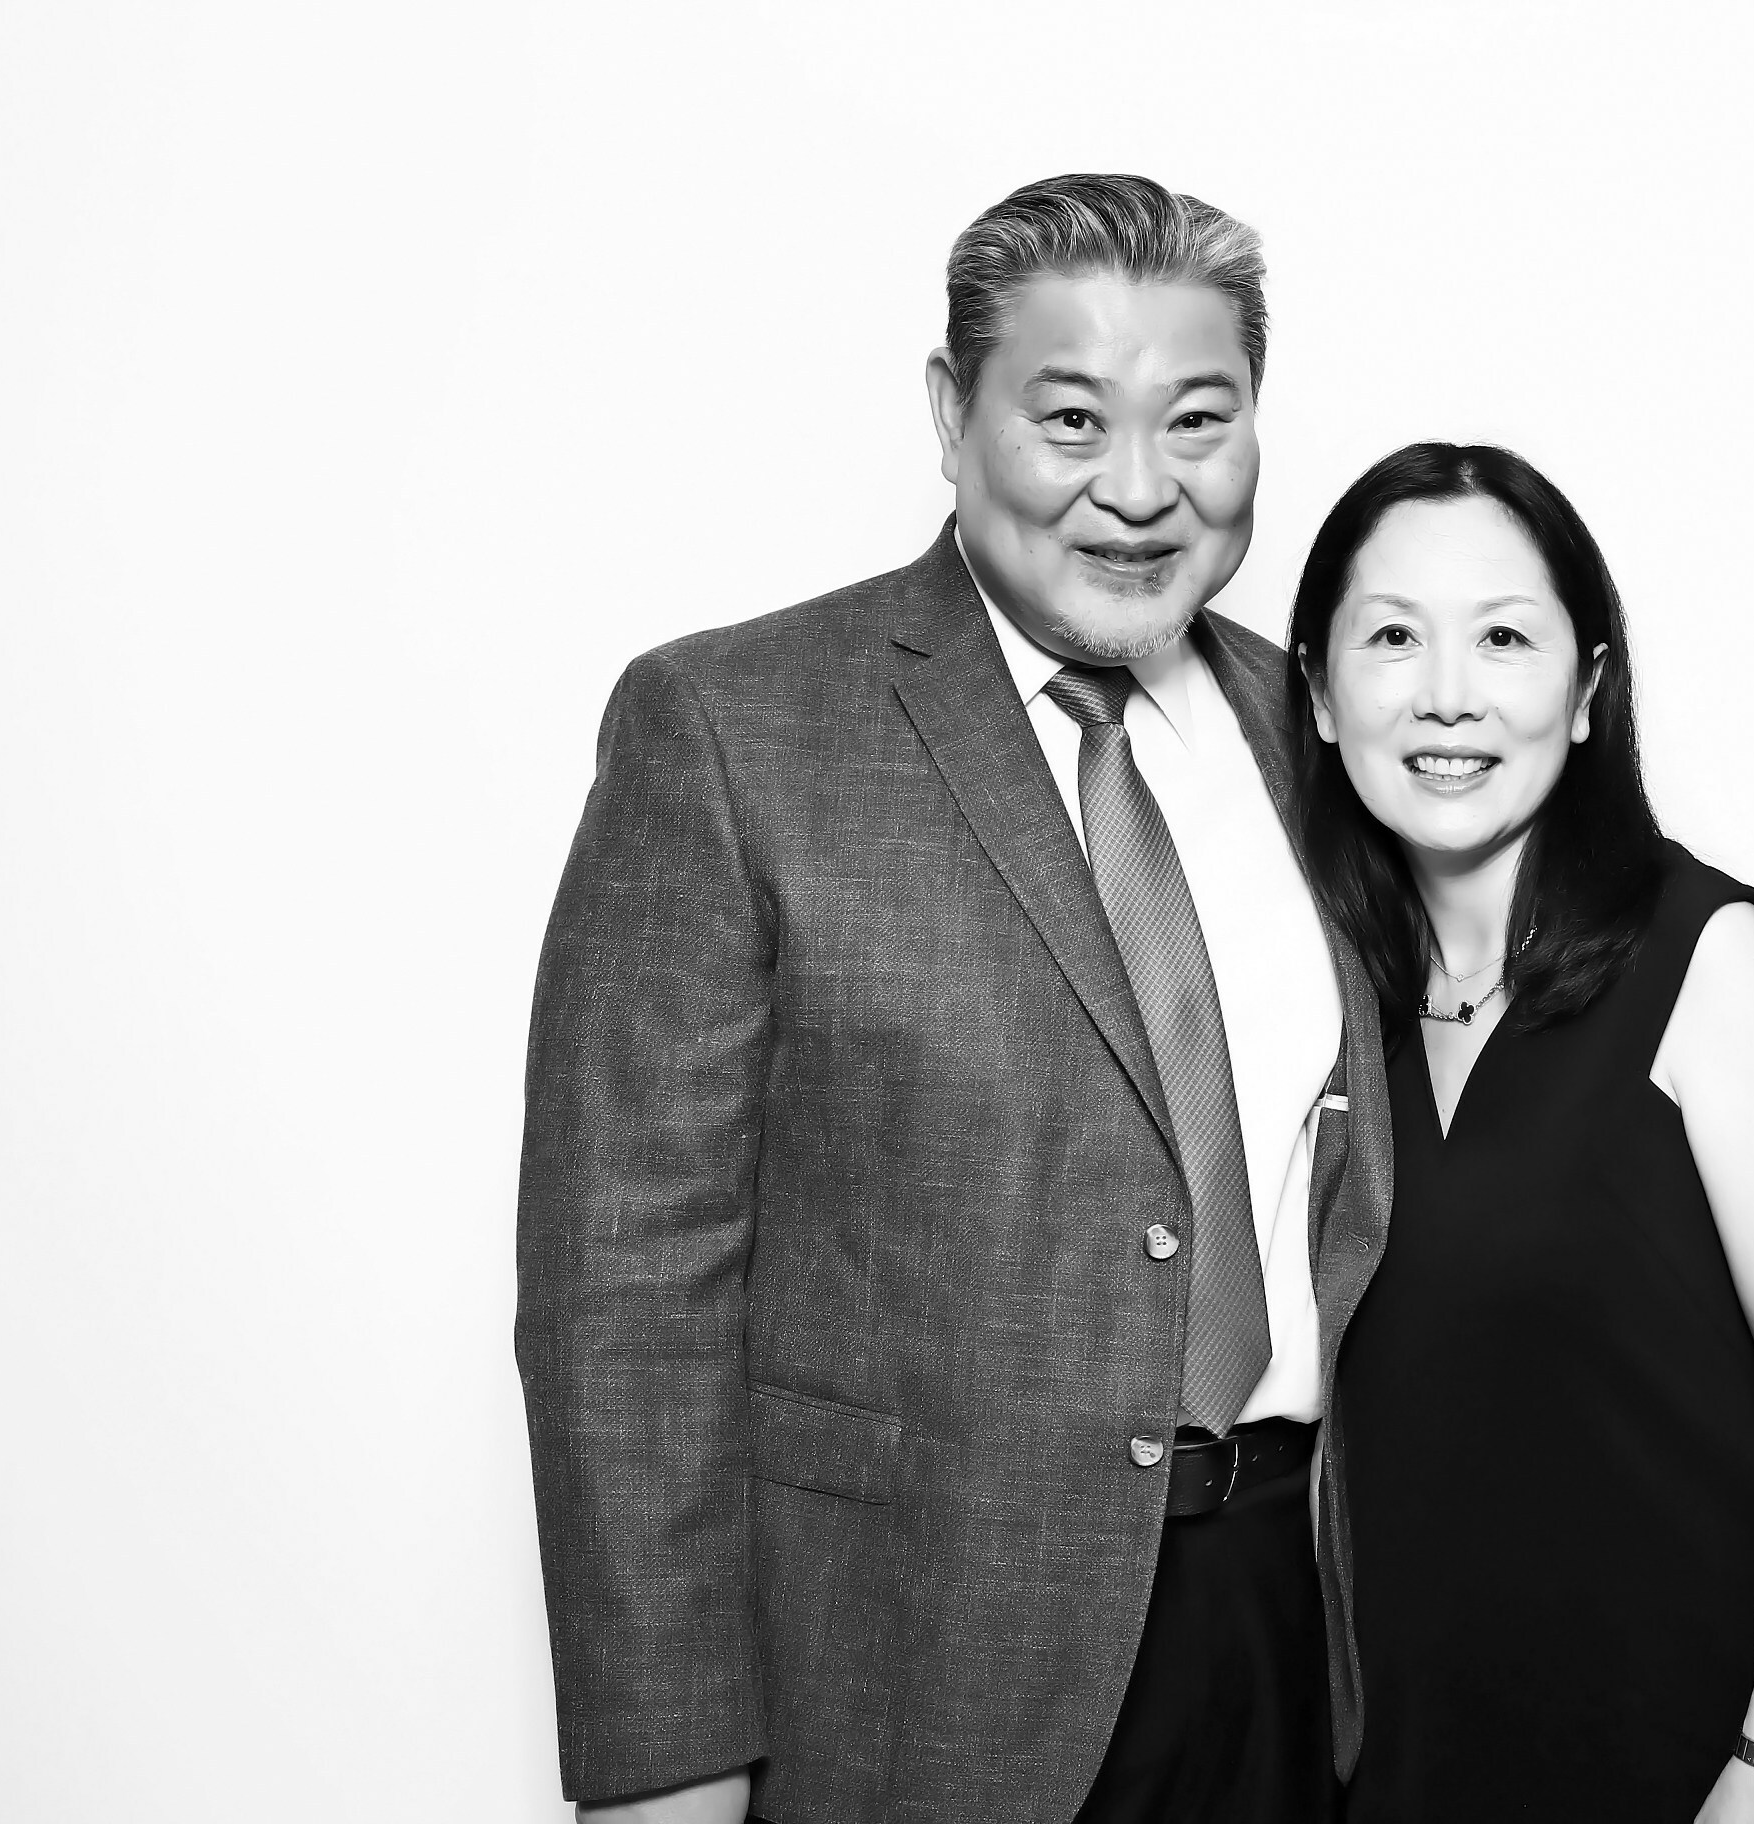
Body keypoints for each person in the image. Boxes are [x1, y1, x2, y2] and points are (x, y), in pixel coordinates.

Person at [515, 174, 1393, 1824]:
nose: (1140, 487)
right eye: (1071, 419)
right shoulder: (734, 728)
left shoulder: (1322, 730)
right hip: (915, 1670)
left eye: (1198, 420)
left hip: (1294, 1641)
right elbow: (624, 1302)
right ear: (949, 414)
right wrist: (665, 1769)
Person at [1289, 443, 1754, 1822]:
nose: (1447, 694)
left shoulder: (1705, 955)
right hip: (1416, 1762)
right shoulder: (1331, 1002)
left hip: (1688, 1756)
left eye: (1504, 637)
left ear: (1586, 692)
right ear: (1318, 693)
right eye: (1393, 638)